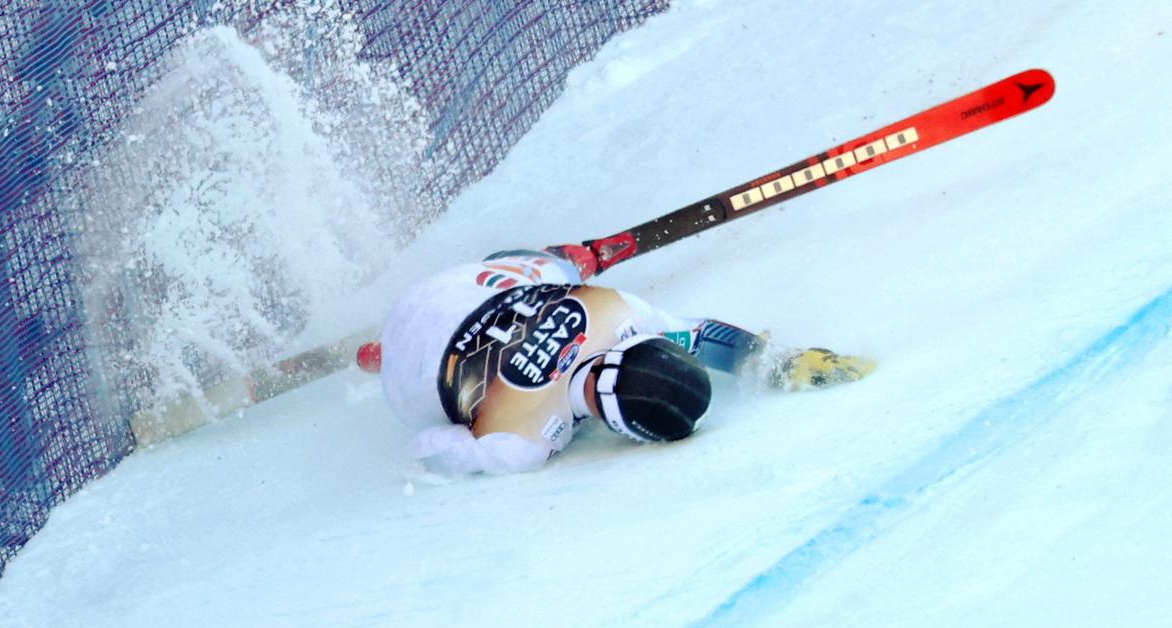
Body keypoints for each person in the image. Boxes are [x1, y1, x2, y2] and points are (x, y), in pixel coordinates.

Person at [364, 245, 873, 475]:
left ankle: (559, 256)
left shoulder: (616, 309)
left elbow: (702, 336)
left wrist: (775, 360)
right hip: (404, 376)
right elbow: (425, 449)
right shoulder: (521, 443)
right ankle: (379, 355)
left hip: (455, 286)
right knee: (437, 404)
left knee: (544, 268)